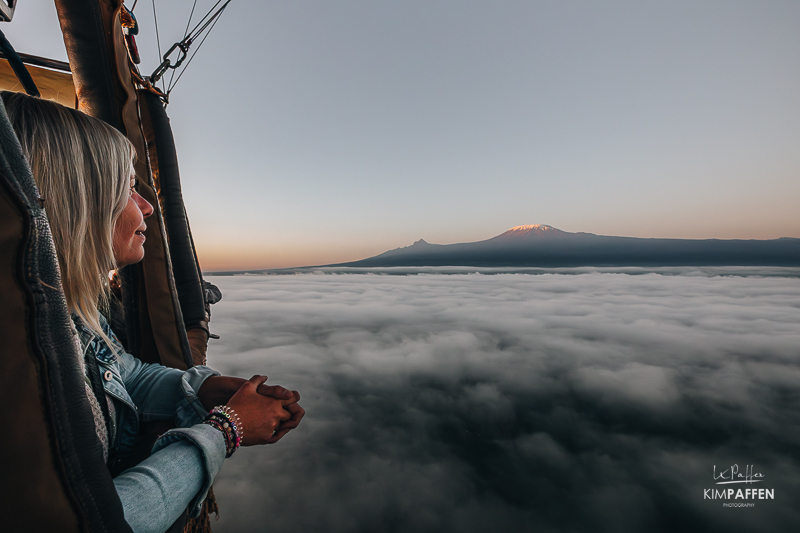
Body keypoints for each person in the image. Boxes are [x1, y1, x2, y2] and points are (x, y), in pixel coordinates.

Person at [1, 90, 304, 533]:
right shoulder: (17, 352)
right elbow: (97, 519)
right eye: (127, 188)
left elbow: (125, 373)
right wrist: (227, 429)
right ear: (77, 198)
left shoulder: (65, 310)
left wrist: (205, 388)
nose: (146, 206)